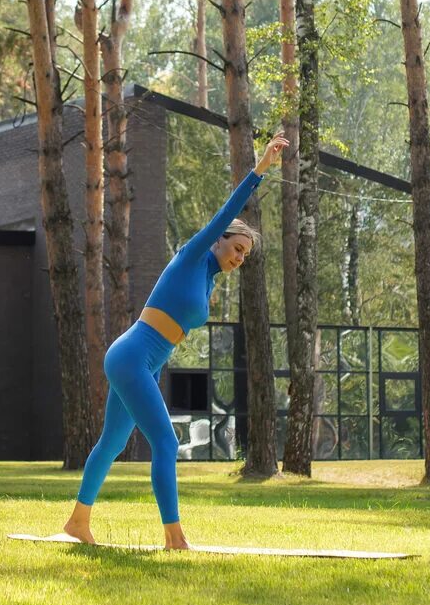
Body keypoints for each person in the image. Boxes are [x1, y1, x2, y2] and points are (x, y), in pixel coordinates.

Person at [63, 131, 290, 549]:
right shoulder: (193, 253)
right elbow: (227, 211)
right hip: (132, 355)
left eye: (245, 256)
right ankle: (174, 537)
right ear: (220, 238)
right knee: (165, 441)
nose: (239, 258)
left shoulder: (208, 279)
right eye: (236, 247)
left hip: (143, 362)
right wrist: (260, 170)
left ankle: (78, 521)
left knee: (111, 443)